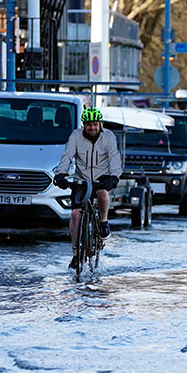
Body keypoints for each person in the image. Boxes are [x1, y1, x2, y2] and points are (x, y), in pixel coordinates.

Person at [53, 108, 122, 269]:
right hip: (81, 180)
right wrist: (60, 174)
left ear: (100, 124)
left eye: (95, 124)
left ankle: (103, 222)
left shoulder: (108, 137)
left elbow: (114, 157)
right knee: (75, 215)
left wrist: (114, 177)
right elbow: (67, 156)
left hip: (102, 177)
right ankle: (76, 254)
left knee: (103, 194)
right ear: (84, 125)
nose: (92, 128)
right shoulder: (75, 136)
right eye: (89, 125)